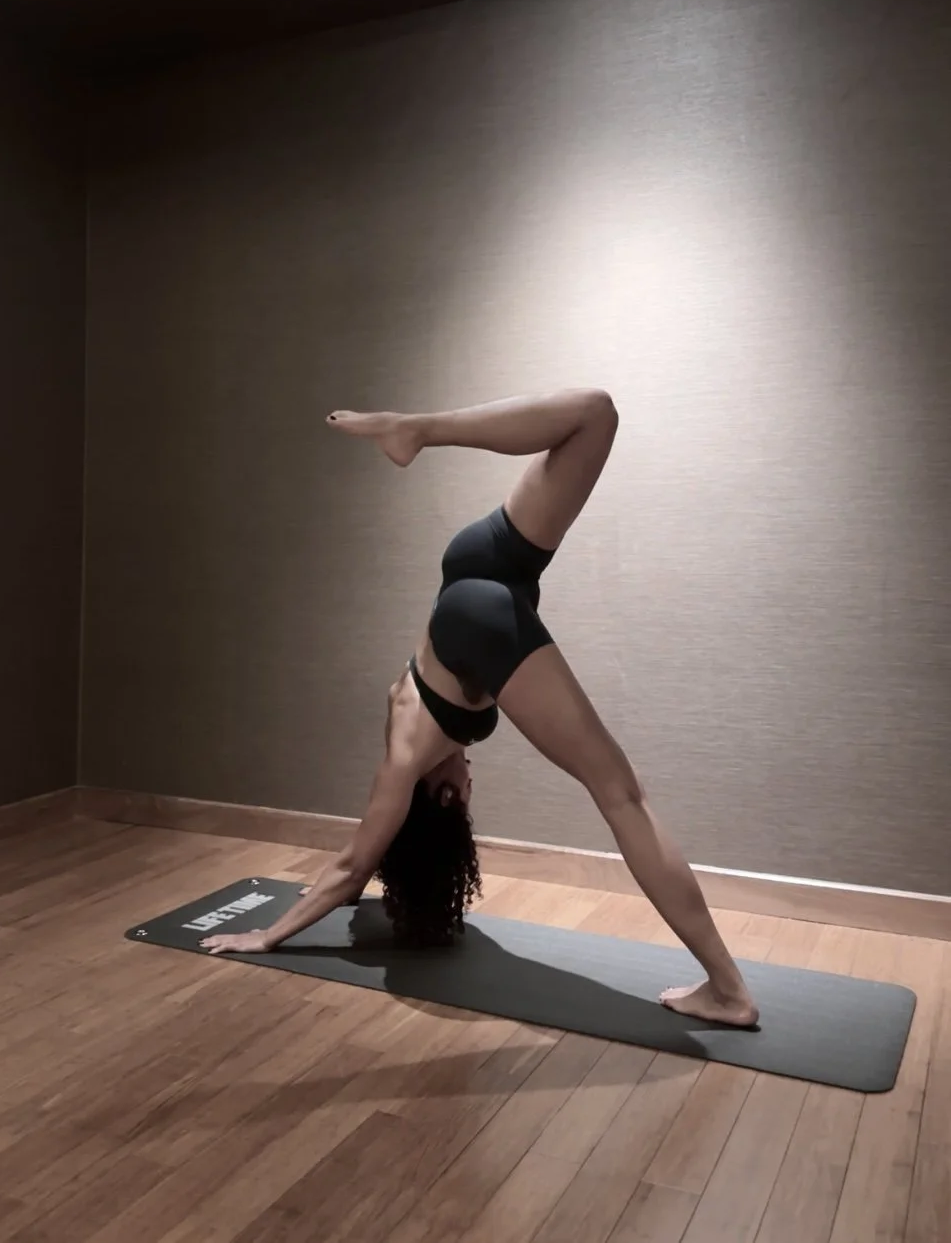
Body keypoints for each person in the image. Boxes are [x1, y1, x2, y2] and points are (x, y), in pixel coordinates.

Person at [201, 390, 758, 1027]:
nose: (471, 785)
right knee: (593, 414)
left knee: (622, 795)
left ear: (444, 801)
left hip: (476, 620)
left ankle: (729, 989)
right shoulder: (405, 730)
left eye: (464, 796)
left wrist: (269, 936)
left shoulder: (406, 759)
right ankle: (418, 429)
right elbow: (357, 873)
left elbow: (352, 870)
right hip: (473, 571)